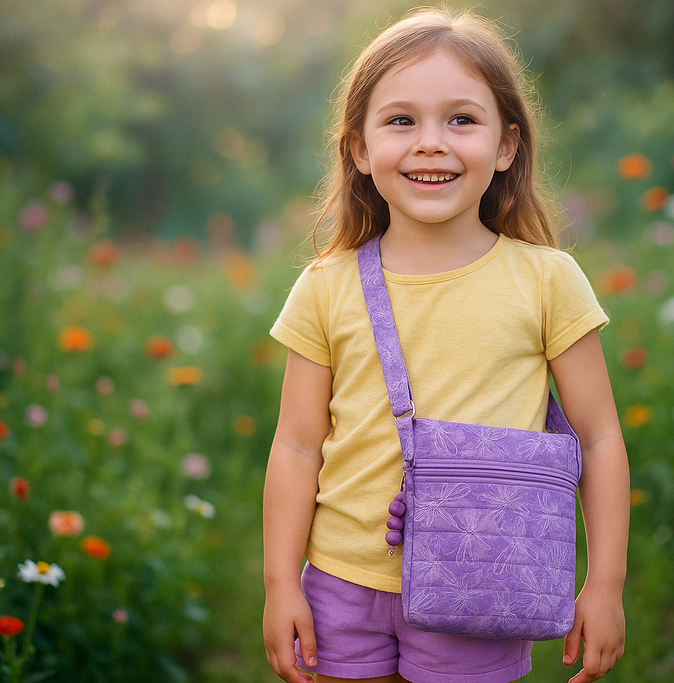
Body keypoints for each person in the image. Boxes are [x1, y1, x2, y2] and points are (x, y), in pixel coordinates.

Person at [262, 8, 630, 683]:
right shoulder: (325, 287)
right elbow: (295, 444)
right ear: (360, 150)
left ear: (506, 145)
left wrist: (604, 584)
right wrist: (280, 583)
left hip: (483, 578)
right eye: (401, 120)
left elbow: (600, 437)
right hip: (345, 582)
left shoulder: (547, 280)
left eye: (461, 119)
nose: (431, 143)